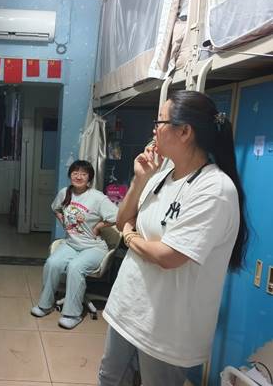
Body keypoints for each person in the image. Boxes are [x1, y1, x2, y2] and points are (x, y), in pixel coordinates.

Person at [98, 90, 248, 386]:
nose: (154, 129)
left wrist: (129, 238)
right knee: (109, 378)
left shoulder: (214, 189)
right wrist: (140, 179)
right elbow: (122, 219)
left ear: (184, 132)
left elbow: (168, 256)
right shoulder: (160, 175)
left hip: (166, 328)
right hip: (128, 308)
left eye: (160, 122)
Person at [31, 160, 118, 329]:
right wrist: (63, 220)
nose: (78, 177)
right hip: (71, 244)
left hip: (93, 247)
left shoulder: (98, 198)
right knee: (52, 263)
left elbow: (117, 216)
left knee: (75, 267)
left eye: (83, 174)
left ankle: (73, 314)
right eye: (75, 173)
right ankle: (45, 305)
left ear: (89, 178)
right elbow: (56, 208)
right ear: (70, 175)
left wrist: (99, 226)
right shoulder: (65, 193)